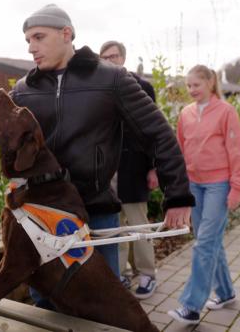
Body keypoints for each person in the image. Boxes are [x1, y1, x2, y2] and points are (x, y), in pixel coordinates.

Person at [0, 3, 195, 307]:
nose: (31, 48)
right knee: (45, 302)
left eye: (38, 37)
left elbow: (158, 134)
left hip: (95, 211)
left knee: (101, 304)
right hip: (41, 217)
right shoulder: (25, 89)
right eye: (28, 40)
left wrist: (179, 196)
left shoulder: (112, 78)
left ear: (66, 34)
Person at [167, 65, 240, 325]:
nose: (191, 90)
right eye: (189, 86)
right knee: (210, 242)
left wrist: (237, 187)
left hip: (219, 184)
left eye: (196, 85)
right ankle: (225, 293)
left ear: (210, 83)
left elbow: (237, 150)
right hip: (194, 185)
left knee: (204, 244)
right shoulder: (185, 114)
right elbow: (180, 150)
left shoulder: (226, 112)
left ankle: (191, 306)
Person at [99, 40, 159, 299]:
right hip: (108, 171)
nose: (110, 60)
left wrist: (154, 168)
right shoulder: (98, 89)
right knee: (116, 227)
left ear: (123, 58)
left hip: (135, 167)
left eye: (114, 56)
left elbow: (154, 130)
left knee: (138, 225)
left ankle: (147, 274)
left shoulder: (142, 87)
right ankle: (120, 274)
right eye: (105, 57)